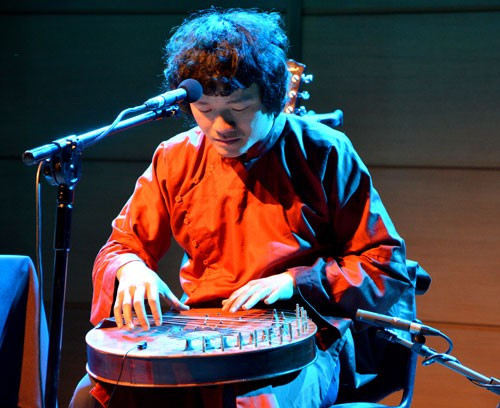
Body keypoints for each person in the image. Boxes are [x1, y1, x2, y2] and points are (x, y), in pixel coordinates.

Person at [71, 7, 419, 408]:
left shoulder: (323, 152)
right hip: (202, 331)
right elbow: (121, 246)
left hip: (304, 338)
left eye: (238, 109)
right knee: (93, 398)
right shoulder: (175, 157)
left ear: (271, 97)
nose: (221, 127)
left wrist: (296, 282)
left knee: (256, 403)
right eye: (205, 111)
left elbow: (384, 265)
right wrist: (131, 270)